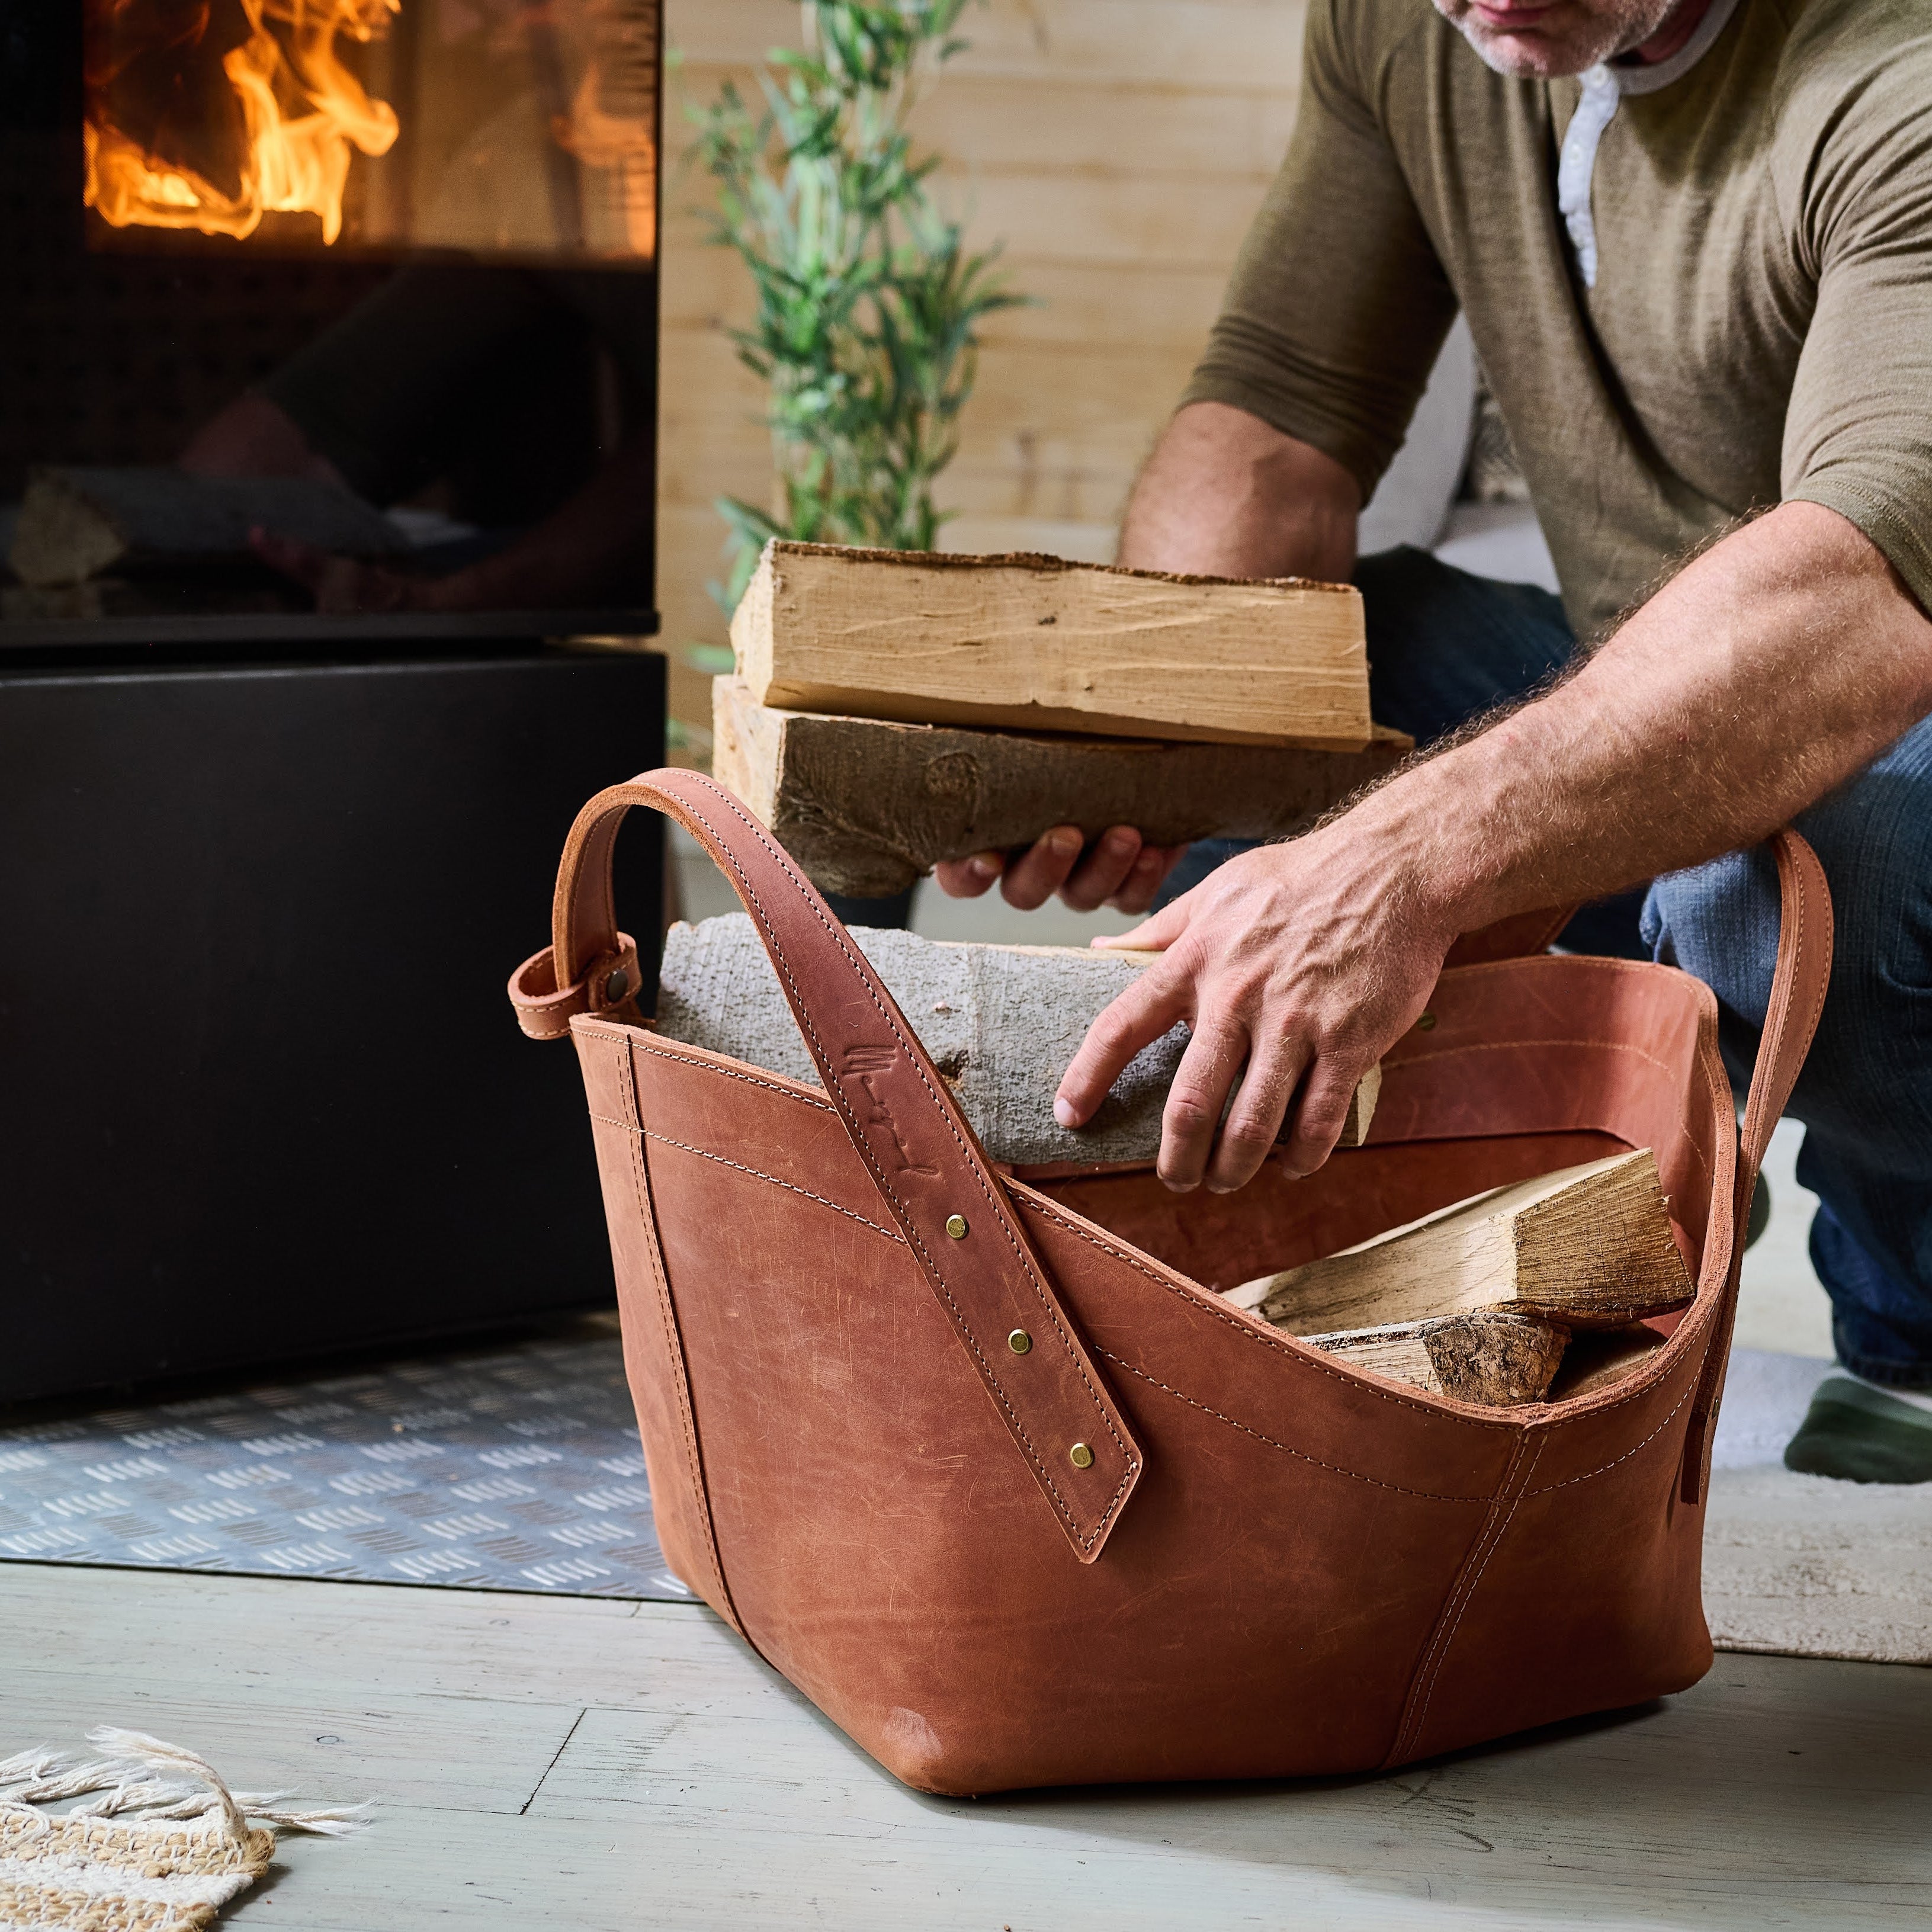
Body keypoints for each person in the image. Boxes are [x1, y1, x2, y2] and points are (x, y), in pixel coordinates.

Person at [938, 0, 1932, 1481]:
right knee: (1317, 697)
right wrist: (1139, 735)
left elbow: (1854, 604)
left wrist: (1395, 866)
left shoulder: (1894, 72)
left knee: (1780, 878)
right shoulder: (1409, 30)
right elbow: (1278, 412)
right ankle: (1399, 1271)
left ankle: (1906, 1302)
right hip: (1655, 661)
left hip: (1878, 683)